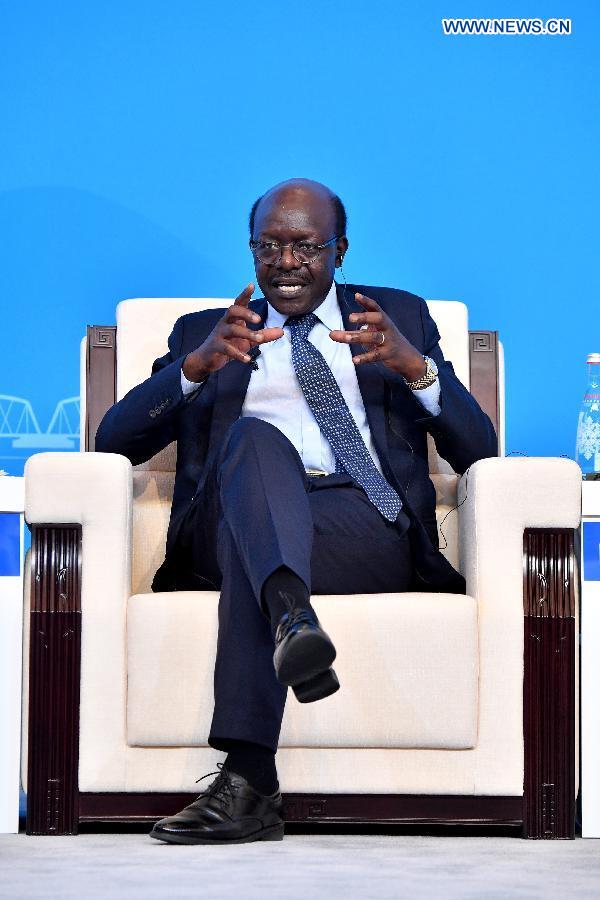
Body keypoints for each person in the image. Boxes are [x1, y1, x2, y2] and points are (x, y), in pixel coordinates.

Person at [95, 178, 497, 845]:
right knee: (254, 440)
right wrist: (194, 368)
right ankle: (291, 618)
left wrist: (415, 368)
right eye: (269, 246)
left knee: (258, 548)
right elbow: (113, 443)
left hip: (362, 525)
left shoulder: (397, 316)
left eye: (306, 247)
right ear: (251, 249)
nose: (286, 263)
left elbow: (479, 451)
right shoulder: (209, 331)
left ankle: (249, 783)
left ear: (340, 250)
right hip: (231, 520)